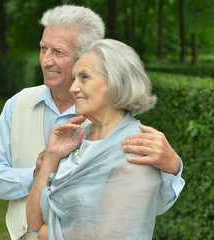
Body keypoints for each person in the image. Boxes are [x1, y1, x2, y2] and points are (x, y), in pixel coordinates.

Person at [0, 5, 185, 240]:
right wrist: (43, 169)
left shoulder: (127, 137)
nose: (46, 61)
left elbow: (140, 210)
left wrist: (172, 167)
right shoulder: (17, 105)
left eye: (58, 52)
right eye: (43, 49)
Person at [27, 38, 170, 239]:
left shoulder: (136, 148)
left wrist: (46, 234)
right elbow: (34, 222)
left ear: (116, 82)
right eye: (74, 78)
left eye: (84, 77)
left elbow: (108, 234)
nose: (73, 88)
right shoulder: (77, 141)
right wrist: (51, 157)